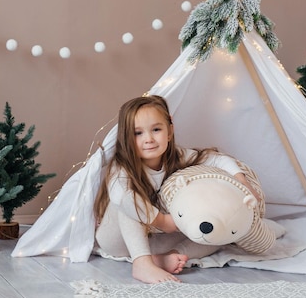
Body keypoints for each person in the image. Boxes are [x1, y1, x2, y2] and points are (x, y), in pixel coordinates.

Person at [93, 95, 260, 284]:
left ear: (170, 131)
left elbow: (217, 159)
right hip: (118, 240)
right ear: (126, 137)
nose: (148, 139)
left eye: (156, 129)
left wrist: (242, 182)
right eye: (138, 133)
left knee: (217, 234)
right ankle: (142, 263)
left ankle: (167, 257)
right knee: (128, 201)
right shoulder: (122, 167)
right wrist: (162, 220)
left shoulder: (179, 156)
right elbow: (122, 196)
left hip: (156, 240)